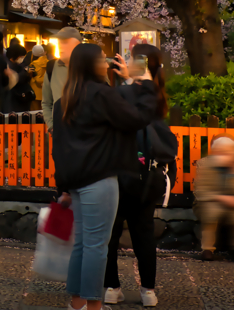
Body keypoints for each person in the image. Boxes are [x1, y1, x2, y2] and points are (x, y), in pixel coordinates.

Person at [52, 43, 157, 310]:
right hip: (100, 180)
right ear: (91, 64)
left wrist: (63, 186)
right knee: (97, 246)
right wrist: (143, 83)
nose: (106, 62)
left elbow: (59, 148)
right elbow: (137, 118)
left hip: (75, 182)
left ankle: (77, 304)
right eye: (101, 59)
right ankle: (93, 305)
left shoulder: (64, 101)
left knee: (82, 244)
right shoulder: (101, 94)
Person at [104, 44, 172, 307]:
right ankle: (148, 291)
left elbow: (121, 114)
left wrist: (127, 82)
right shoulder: (157, 92)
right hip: (147, 174)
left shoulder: (129, 92)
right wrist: (131, 80)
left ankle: (111, 288)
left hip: (121, 171)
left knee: (111, 232)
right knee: (143, 232)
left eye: (132, 58)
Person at [194, 135, 234, 263]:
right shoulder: (204, 164)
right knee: (211, 208)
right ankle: (207, 249)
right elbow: (200, 192)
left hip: (230, 204)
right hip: (206, 202)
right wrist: (222, 198)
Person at [41, 27, 82, 133]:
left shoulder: (90, 66)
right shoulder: (51, 67)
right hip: (60, 132)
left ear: (77, 45)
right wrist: (51, 126)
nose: (60, 46)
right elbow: (46, 102)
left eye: (65, 42)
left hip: (86, 133)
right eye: (59, 42)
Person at [3, 42, 35, 113]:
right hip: (14, 100)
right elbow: (15, 79)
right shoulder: (8, 66)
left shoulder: (17, 65)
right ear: (14, 56)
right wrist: (25, 72)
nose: (22, 58)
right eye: (21, 56)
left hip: (18, 99)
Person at [29, 44, 48, 112]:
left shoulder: (33, 64)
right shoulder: (48, 62)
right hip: (45, 92)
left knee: (35, 114)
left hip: (35, 92)